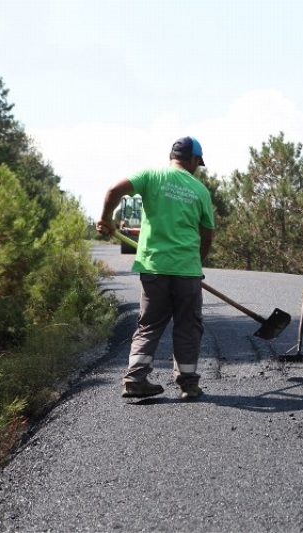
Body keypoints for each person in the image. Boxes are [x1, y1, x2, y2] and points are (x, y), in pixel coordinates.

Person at [96, 136, 215, 400]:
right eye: (198, 162)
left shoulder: (151, 176)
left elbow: (114, 190)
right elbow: (207, 235)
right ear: (194, 160)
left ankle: (136, 378)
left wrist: (106, 219)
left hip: (154, 268)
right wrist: (197, 262)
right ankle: (188, 384)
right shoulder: (200, 190)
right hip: (186, 271)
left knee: (149, 325)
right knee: (187, 326)